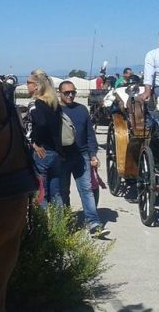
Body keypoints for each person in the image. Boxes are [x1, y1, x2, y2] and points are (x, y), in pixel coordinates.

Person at [58, 81, 109, 238]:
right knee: (62, 191)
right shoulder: (55, 110)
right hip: (62, 157)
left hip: (82, 156)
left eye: (73, 92)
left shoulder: (82, 110)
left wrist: (93, 155)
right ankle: (64, 222)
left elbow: (89, 135)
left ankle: (93, 223)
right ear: (59, 93)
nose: (70, 95)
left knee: (86, 190)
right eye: (67, 93)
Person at [25, 70, 65, 207]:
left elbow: (41, 123)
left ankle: (44, 225)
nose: (27, 85)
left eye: (28, 82)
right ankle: (58, 225)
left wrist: (35, 142)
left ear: (36, 86)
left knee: (42, 193)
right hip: (56, 152)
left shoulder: (34, 104)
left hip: (42, 154)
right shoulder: (54, 104)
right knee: (56, 193)